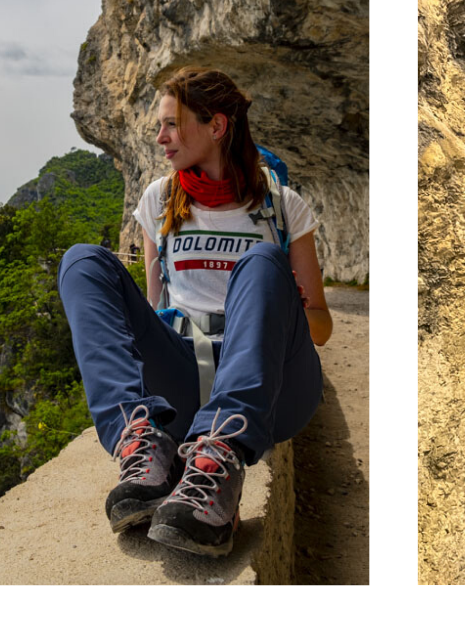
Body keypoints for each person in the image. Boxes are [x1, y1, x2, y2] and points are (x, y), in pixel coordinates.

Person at [57, 67, 331, 557]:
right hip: (187, 377)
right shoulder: (160, 201)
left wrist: (287, 299)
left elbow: (322, 329)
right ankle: (141, 441)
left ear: (216, 126)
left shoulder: (284, 208)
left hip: (273, 389)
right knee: (81, 261)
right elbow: (157, 307)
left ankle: (219, 459)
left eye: (171, 124)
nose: (160, 138)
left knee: (263, 260)